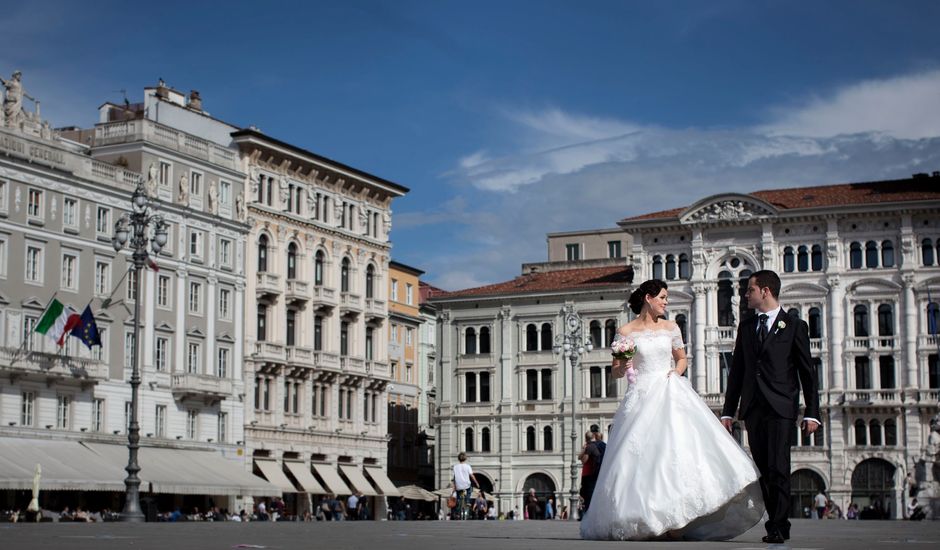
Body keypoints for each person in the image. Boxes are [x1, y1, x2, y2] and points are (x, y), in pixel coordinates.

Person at [581, 279, 764, 541]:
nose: (666, 302)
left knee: (673, 454)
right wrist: (624, 363)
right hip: (640, 396)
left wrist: (674, 374)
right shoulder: (625, 331)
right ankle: (644, 517)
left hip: (668, 391)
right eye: (663, 297)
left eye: (666, 298)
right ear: (648, 298)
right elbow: (616, 371)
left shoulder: (670, 327)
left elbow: (681, 359)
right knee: (640, 458)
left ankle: (677, 519)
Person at [721, 270, 820, 543]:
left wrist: (812, 412)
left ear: (765, 291)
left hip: (781, 408)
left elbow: (807, 374)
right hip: (753, 409)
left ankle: (778, 525)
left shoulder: (794, 326)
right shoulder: (747, 327)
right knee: (764, 468)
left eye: (749, 289)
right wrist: (729, 411)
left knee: (779, 466)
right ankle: (775, 521)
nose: (745, 294)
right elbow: (738, 371)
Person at [579, 430, 601, 516]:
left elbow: (583, 460)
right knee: (586, 494)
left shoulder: (590, 447)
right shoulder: (592, 446)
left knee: (587, 494)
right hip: (590, 474)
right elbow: (579, 457)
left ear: (586, 438)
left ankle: (588, 513)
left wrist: (584, 450)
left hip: (588, 474)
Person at [452, 452, 479, 520]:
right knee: (470, 490)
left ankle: (458, 511)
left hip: (458, 485)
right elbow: (471, 476)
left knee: (458, 496)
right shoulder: (467, 466)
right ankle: (467, 501)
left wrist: (454, 486)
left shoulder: (455, 467)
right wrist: (476, 482)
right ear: (465, 458)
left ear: (458, 459)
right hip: (466, 485)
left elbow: (455, 477)